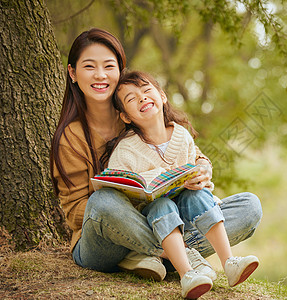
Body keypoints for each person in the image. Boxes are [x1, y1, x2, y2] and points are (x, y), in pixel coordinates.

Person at [50, 27, 262, 295]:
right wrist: (133, 206)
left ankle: (162, 256)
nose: (100, 75)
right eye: (89, 67)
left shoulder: (139, 113)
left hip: (166, 219)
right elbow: (76, 212)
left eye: (109, 66)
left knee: (249, 207)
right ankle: (179, 256)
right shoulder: (72, 136)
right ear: (73, 73)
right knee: (103, 202)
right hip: (106, 239)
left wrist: (203, 169)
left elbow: (187, 153)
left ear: (120, 70)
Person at [105, 69, 259, 298]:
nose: (142, 98)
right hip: (151, 219)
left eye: (147, 91)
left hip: (186, 217)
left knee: (218, 199)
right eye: (132, 99)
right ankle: (187, 272)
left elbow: (194, 170)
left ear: (162, 95)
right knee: (162, 205)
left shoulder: (181, 135)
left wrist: (199, 178)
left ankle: (229, 262)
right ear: (126, 116)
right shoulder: (126, 148)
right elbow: (118, 193)